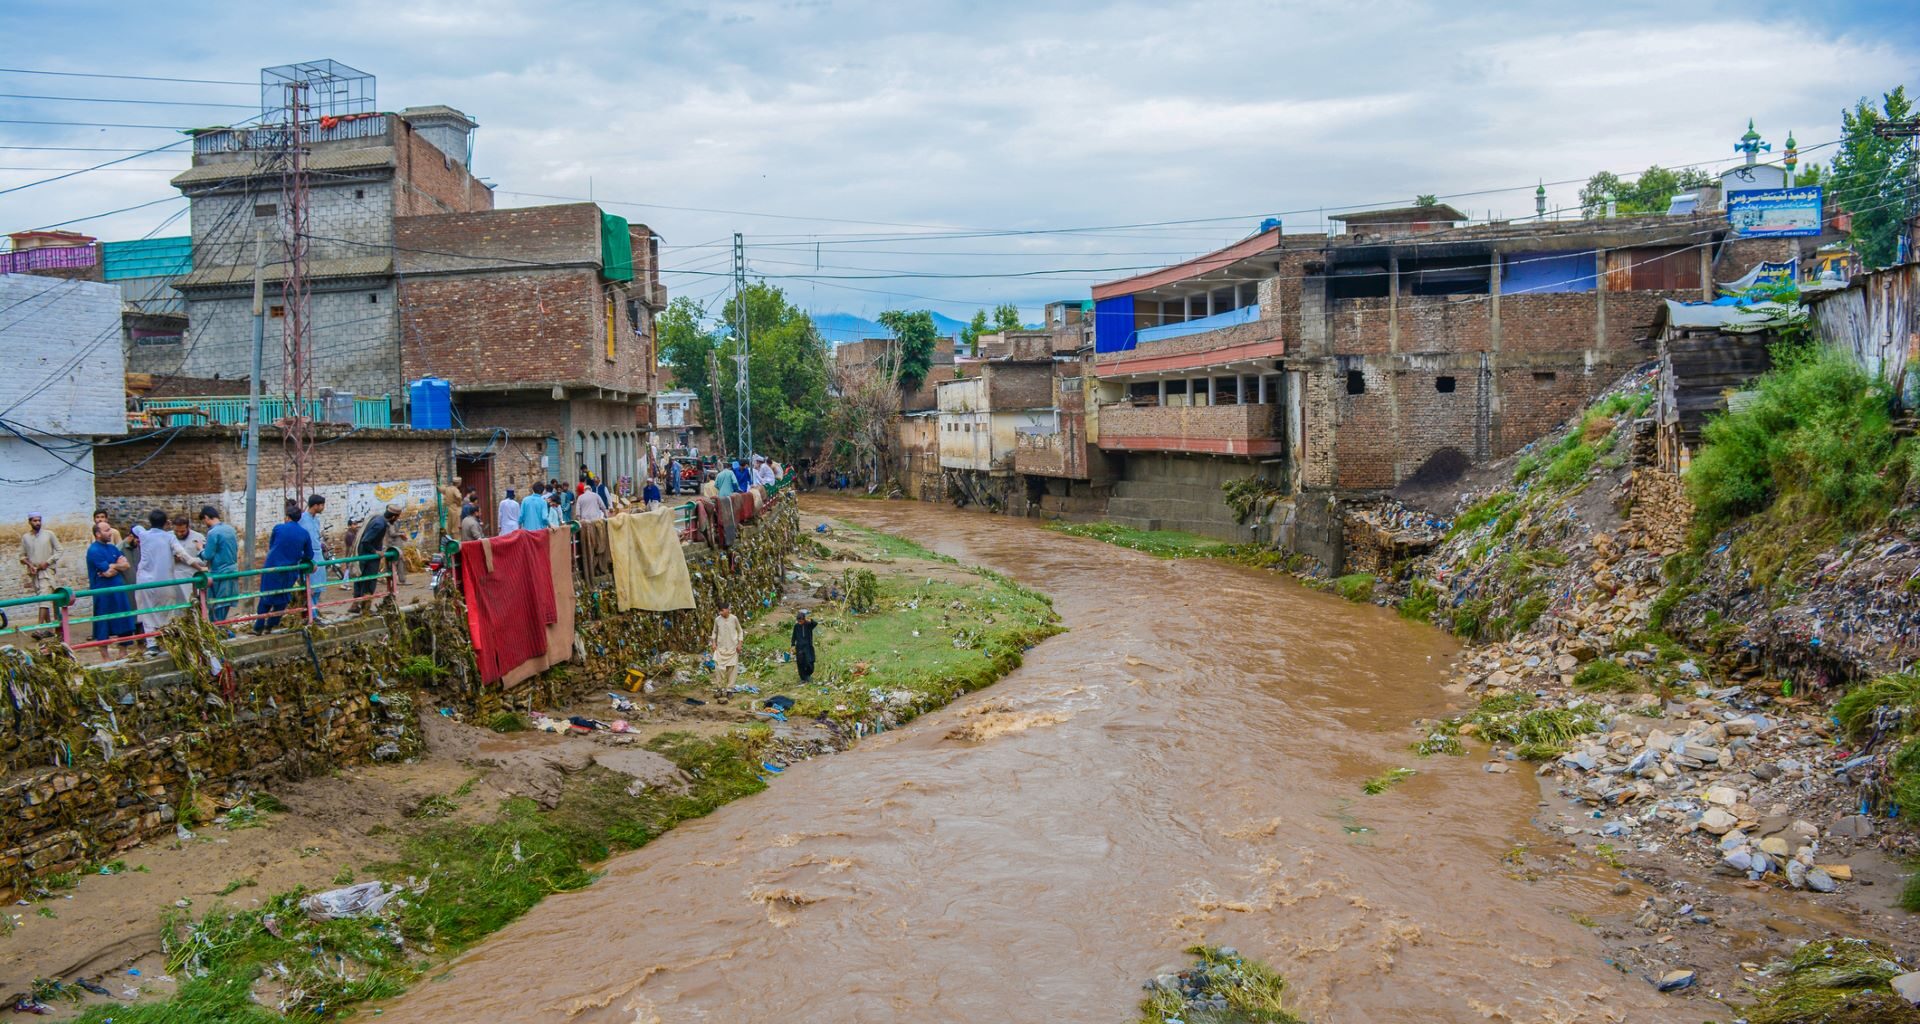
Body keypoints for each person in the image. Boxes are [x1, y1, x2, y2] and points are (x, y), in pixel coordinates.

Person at [133, 511, 204, 656]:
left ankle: (152, 645)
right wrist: (201, 568)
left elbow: (135, 527)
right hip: (165, 581)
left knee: (148, 612)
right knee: (167, 612)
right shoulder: (169, 537)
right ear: (167, 523)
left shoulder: (144, 534)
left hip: (145, 581)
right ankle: (168, 640)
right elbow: (184, 556)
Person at [255, 501, 314, 633]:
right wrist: (299, 556)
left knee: (266, 597)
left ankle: (258, 627)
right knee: (282, 599)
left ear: (287, 517)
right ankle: (270, 626)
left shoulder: (278, 528)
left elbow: (272, 546)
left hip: (272, 568)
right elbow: (309, 555)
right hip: (290, 571)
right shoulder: (304, 533)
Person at [84, 520, 136, 643]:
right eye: (106, 530)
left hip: (118, 589)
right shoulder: (94, 550)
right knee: (103, 625)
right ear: (98, 534)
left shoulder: (112, 548)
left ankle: (123, 651)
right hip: (103, 592)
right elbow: (107, 572)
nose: (110, 533)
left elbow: (126, 565)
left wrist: (113, 566)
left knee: (123, 620)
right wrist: (116, 566)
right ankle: (105, 655)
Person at [354, 502, 401, 610]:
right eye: (397, 517)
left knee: (361, 579)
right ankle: (365, 609)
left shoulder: (378, 519)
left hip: (365, 555)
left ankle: (356, 604)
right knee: (369, 581)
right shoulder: (380, 524)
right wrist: (376, 551)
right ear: (393, 517)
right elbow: (366, 541)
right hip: (369, 557)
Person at [17, 513, 61, 624]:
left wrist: (47, 562)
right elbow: (22, 556)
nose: (37, 523)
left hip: (47, 571)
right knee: (42, 599)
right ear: (30, 522)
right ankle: (48, 628)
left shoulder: (49, 534)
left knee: (43, 597)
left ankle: (40, 627)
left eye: (39, 520)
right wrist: (30, 565)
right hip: (34, 573)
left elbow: (60, 550)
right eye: (35, 521)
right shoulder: (26, 537)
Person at [199, 505, 239, 624]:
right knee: (226, 602)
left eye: (204, 520)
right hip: (232, 569)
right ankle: (221, 627)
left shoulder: (213, 533)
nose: (205, 523)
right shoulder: (230, 529)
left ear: (207, 518)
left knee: (217, 605)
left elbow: (208, 555)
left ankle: (218, 630)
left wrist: (200, 549)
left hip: (219, 572)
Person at [300, 494, 327, 606]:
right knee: (310, 587)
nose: (323, 507)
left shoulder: (316, 520)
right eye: (322, 505)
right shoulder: (302, 519)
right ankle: (311, 615)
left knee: (318, 587)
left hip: (318, 554)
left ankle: (314, 611)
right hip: (308, 554)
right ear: (315, 505)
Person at [710, 601, 743, 691]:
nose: (720, 613)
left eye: (722, 610)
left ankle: (729, 689)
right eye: (719, 611)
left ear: (727, 610)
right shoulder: (717, 620)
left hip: (732, 648)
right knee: (718, 669)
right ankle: (719, 688)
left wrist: (740, 644)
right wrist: (713, 643)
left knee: (732, 670)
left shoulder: (734, 619)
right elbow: (714, 632)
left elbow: (740, 631)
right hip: (720, 649)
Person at [789, 608, 817, 684]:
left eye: (801, 621)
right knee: (800, 663)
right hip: (800, 648)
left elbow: (815, 623)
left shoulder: (808, 625)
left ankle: (808, 674)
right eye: (798, 621)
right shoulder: (796, 626)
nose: (800, 622)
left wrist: (810, 619)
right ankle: (803, 678)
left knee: (810, 662)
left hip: (808, 647)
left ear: (804, 619)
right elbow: (794, 636)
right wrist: (792, 645)